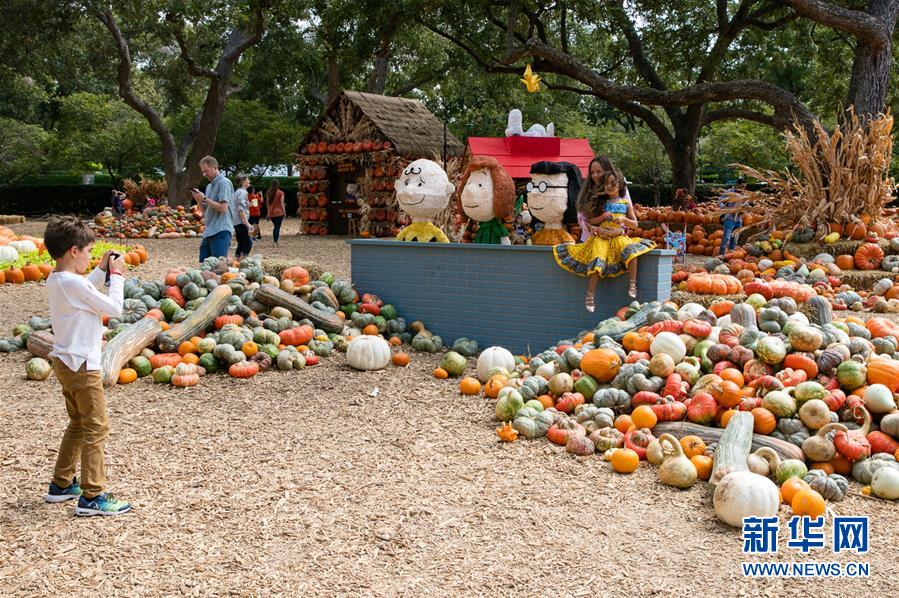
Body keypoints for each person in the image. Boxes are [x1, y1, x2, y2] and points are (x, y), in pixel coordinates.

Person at [42, 216, 131, 516]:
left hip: (66, 362)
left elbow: (84, 290)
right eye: (89, 252)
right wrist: (116, 275)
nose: (91, 257)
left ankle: (62, 484)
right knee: (96, 425)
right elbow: (114, 309)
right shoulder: (71, 283)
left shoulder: (58, 279)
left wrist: (100, 269)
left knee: (79, 423)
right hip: (83, 366)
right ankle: (93, 496)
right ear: (73, 251)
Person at [554, 169, 657, 310]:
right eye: (606, 183)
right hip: (601, 237)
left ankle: (632, 284)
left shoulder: (626, 204)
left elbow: (635, 224)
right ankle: (590, 295)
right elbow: (591, 220)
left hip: (618, 236)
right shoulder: (601, 203)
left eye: (613, 183)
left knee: (632, 251)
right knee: (597, 260)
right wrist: (602, 218)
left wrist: (623, 219)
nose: (609, 185)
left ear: (620, 185)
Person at [576, 157, 632, 242]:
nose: (594, 175)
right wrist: (597, 229)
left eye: (599, 172)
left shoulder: (620, 190)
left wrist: (620, 230)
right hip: (588, 240)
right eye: (592, 172)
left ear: (608, 171)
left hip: (614, 241)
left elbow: (627, 217)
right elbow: (582, 218)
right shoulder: (587, 191)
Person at [190, 156, 233, 263]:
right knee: (203, 268)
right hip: (208, 232)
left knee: (218, 269)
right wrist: (199, 200)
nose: (204, 174)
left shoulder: (224, 183)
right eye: (202, 172)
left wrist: (204, 198)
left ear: (215, 167)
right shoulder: (209, 186)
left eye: (206, 171)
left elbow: (223, 208)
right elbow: (205, 212)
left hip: (221, 231)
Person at [718, 180, 746, 255]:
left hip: (739, 219)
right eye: (741, 187)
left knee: (734, 240)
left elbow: (745, 205)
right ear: (737, 184)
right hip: (729, 218)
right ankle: (721, 255)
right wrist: (726, 208)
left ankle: (730, 255)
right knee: (726, 238)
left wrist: (747, 208)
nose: (742, 189)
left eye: (744, 187)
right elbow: (719, 202)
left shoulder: (744, 194)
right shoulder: (729, 192)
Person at [231, 174, 253, 259]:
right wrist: (247, 223)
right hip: (241, 221)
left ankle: (237, 261)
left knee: (241, 242)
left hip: (236, 221)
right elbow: (240, 209)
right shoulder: (242, 192)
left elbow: (239, 206)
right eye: (248, 180)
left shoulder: (237, 192)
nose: (249, 181)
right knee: (248, 242)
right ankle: (243, 262)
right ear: (243, 182)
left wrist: (248, 205)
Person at [266, 179, 285, 247]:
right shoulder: (281, 193)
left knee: (275, 227)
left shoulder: (268, 192)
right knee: (277, 227)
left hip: (271, 213)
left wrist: (268, 213)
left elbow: (268, 204)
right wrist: (284, 212)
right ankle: (275, 242)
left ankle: (275, 241)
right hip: (279, 212)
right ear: (278, 184)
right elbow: (282, 203)